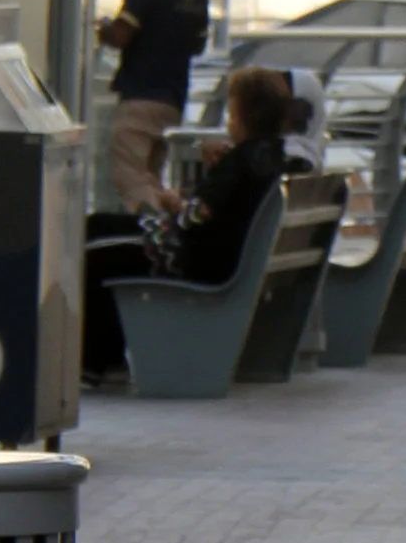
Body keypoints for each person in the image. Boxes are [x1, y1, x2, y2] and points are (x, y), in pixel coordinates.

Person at [82, 62, 295, 380]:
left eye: (232, 115)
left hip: (188, 256)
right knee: (98, 225)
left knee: (96, 253)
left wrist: (174, 203)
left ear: (243, 118)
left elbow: (198, 216)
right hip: (209, 252)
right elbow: (224, 205)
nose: (230, 122)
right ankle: (107, 361)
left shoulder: (241, 160)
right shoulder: (270, 156)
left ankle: (99, 361)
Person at [101, 0, 212, 212]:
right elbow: (198, 46)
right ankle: (168, 221)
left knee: (130, 178)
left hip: (141, 96)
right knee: (151, 177)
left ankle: (156, 232)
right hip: (172, 100)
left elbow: (121, 35)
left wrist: (103, 30)